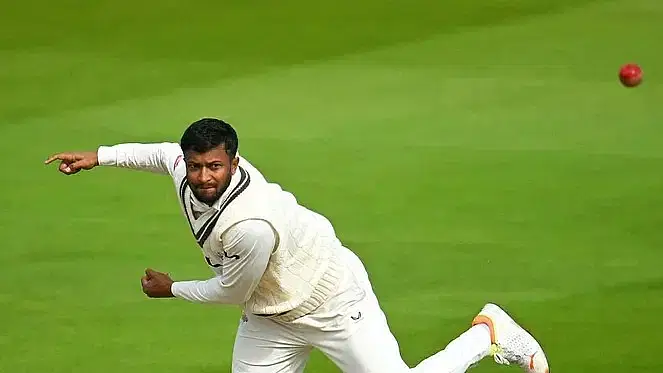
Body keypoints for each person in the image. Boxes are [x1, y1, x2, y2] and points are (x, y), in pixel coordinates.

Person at [44, 117, 550, 373]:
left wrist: (171, 289)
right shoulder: (185, 166)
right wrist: (100, 156)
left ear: (235, 163)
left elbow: (230, 292)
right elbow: (159, 155)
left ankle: (489, 333)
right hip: (271, 315)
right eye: (195, 165)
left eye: (214, 166)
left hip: (331, 301)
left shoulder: (250, 224)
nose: (202, 176)